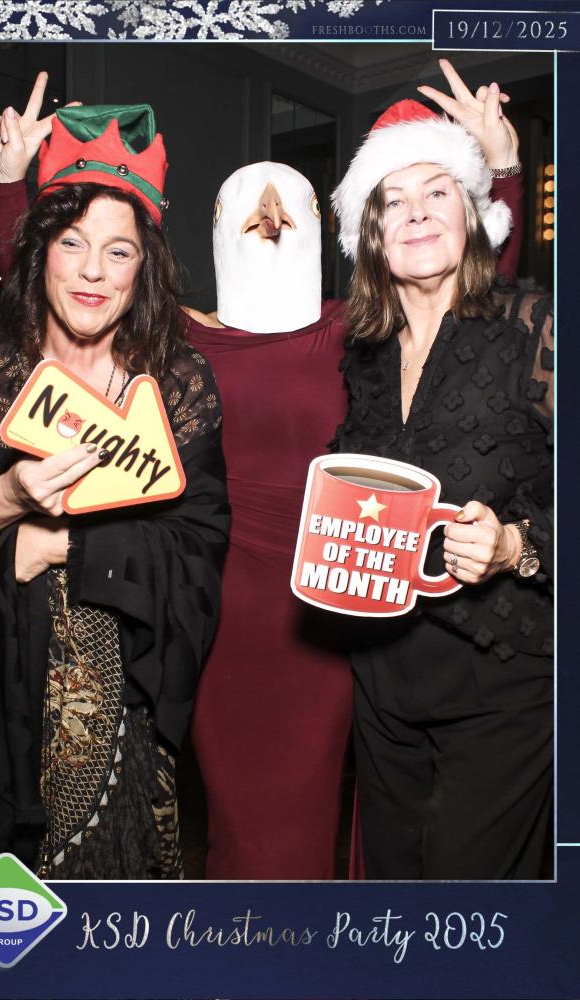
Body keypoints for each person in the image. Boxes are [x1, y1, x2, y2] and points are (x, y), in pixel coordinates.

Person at [0, 62, 525, 879]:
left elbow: (480, 317)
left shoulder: (360, 328)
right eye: (247, 208)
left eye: (288, 207)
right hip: (218, 612)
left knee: (331, 826)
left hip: (338, 606)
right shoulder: (175, 340)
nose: (268, 218)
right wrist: (10, 188)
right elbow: (54, 313)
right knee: (247, 832)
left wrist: (503, 170)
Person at [0, 100, 229, 881]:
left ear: (144, 267)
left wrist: (65, 543)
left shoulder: (176, 380)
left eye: (117, 251)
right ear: (40, 252)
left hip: (123, 700)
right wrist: (6, 504)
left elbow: (201, 544)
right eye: (71, 243)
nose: (93, 272)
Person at [330, 80, 553, 879]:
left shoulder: (532, 324)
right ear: (372, 233)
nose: (417, 213)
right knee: (396, 891)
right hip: (383, 678)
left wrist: (515, 545)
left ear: (471, 214)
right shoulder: (361, 353)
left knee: (468, 899)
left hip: (502, 675)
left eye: (437, 192)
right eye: (393, 201)